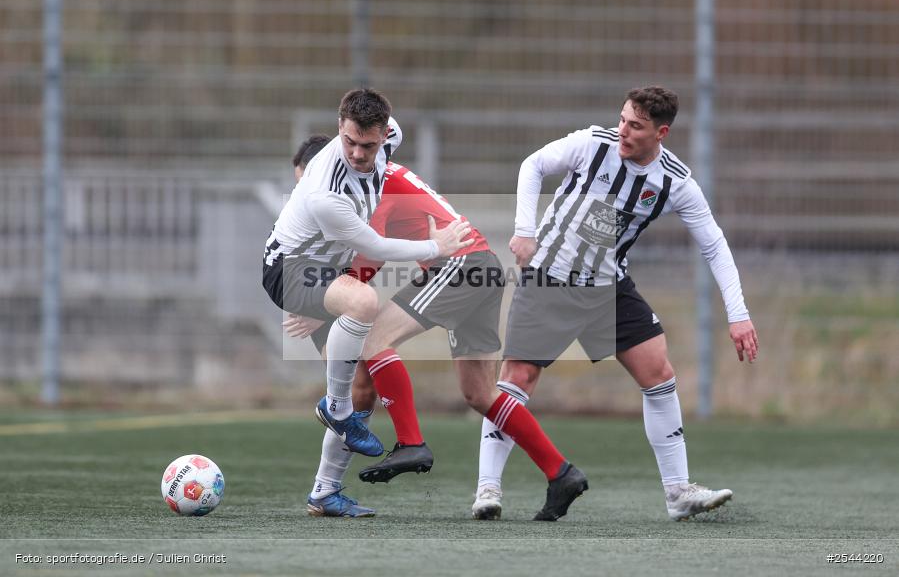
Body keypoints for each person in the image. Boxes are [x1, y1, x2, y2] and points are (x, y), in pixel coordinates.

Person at [477, 85, 759, 521]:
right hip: (550, 277)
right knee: (518, 377)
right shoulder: (592, 144)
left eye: (636, 126)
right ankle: (488, 490)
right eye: (623, 119)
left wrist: (738, 314)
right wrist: (525, 229)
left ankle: (678, 493)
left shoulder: (675, 182)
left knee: (658, 371)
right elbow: (532, 165)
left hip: (607, 287)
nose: (623, 131)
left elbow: (715, 245)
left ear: (661, 132)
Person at [287, 157, 588, 521]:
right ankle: (561, 472)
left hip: (459, 267)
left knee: (372, 340)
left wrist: (322, 298)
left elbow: (371, 256)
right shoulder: (375, 174)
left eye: (310, 182)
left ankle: (411, 443)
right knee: (480, 393)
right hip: (482, 267)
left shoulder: (373, 183)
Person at [262, 89, 474, 502]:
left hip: (329, 273)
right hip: (289, 270)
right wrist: (437, 247)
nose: (358, 154)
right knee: (363, 304)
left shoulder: (387, 136)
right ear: (339, 128)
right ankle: (334, 408)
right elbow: (376, 246)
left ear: (383, 136)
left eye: (369, 144)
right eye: (350, 142)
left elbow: (395, 130)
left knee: (364, 385)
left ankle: (325, 491)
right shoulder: (326, 192)